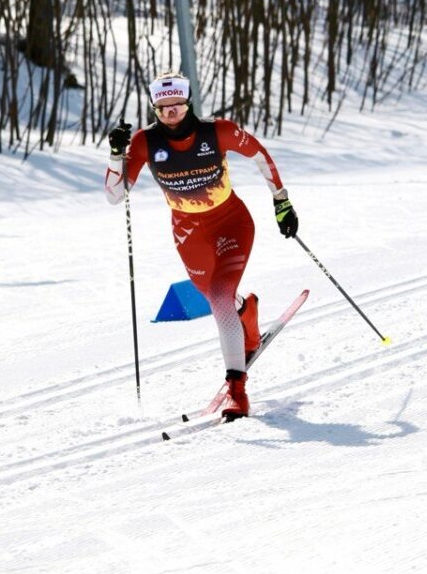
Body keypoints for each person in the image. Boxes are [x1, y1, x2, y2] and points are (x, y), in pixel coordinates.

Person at [104, 71, 299, 419]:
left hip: (231, 223)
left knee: (221, 293)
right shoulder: (146, 142)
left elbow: (260, 155)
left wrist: (281, 201)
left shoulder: (217, 131)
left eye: (177, 105)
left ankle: (237, 392)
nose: (171, 113)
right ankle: (246, 313)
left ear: (187, 102)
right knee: (214, 297)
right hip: (187, 232)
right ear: (153, 108)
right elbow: (115, 196)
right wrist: (116, 155)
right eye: (163, 108)